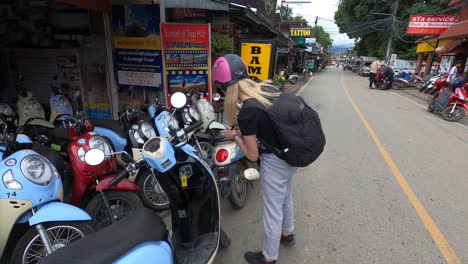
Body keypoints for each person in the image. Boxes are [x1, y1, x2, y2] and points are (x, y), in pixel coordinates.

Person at [212, 54, 297, 264]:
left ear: (224, 88)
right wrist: (246, 130)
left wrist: (235, 137)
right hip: (292, 152)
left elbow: (252, 155)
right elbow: (268, 120)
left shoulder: (247, 112)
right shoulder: (266, 89)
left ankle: (269, 257)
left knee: (272, 209)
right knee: (286, 195)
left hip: (276, 161)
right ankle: (287, 233)